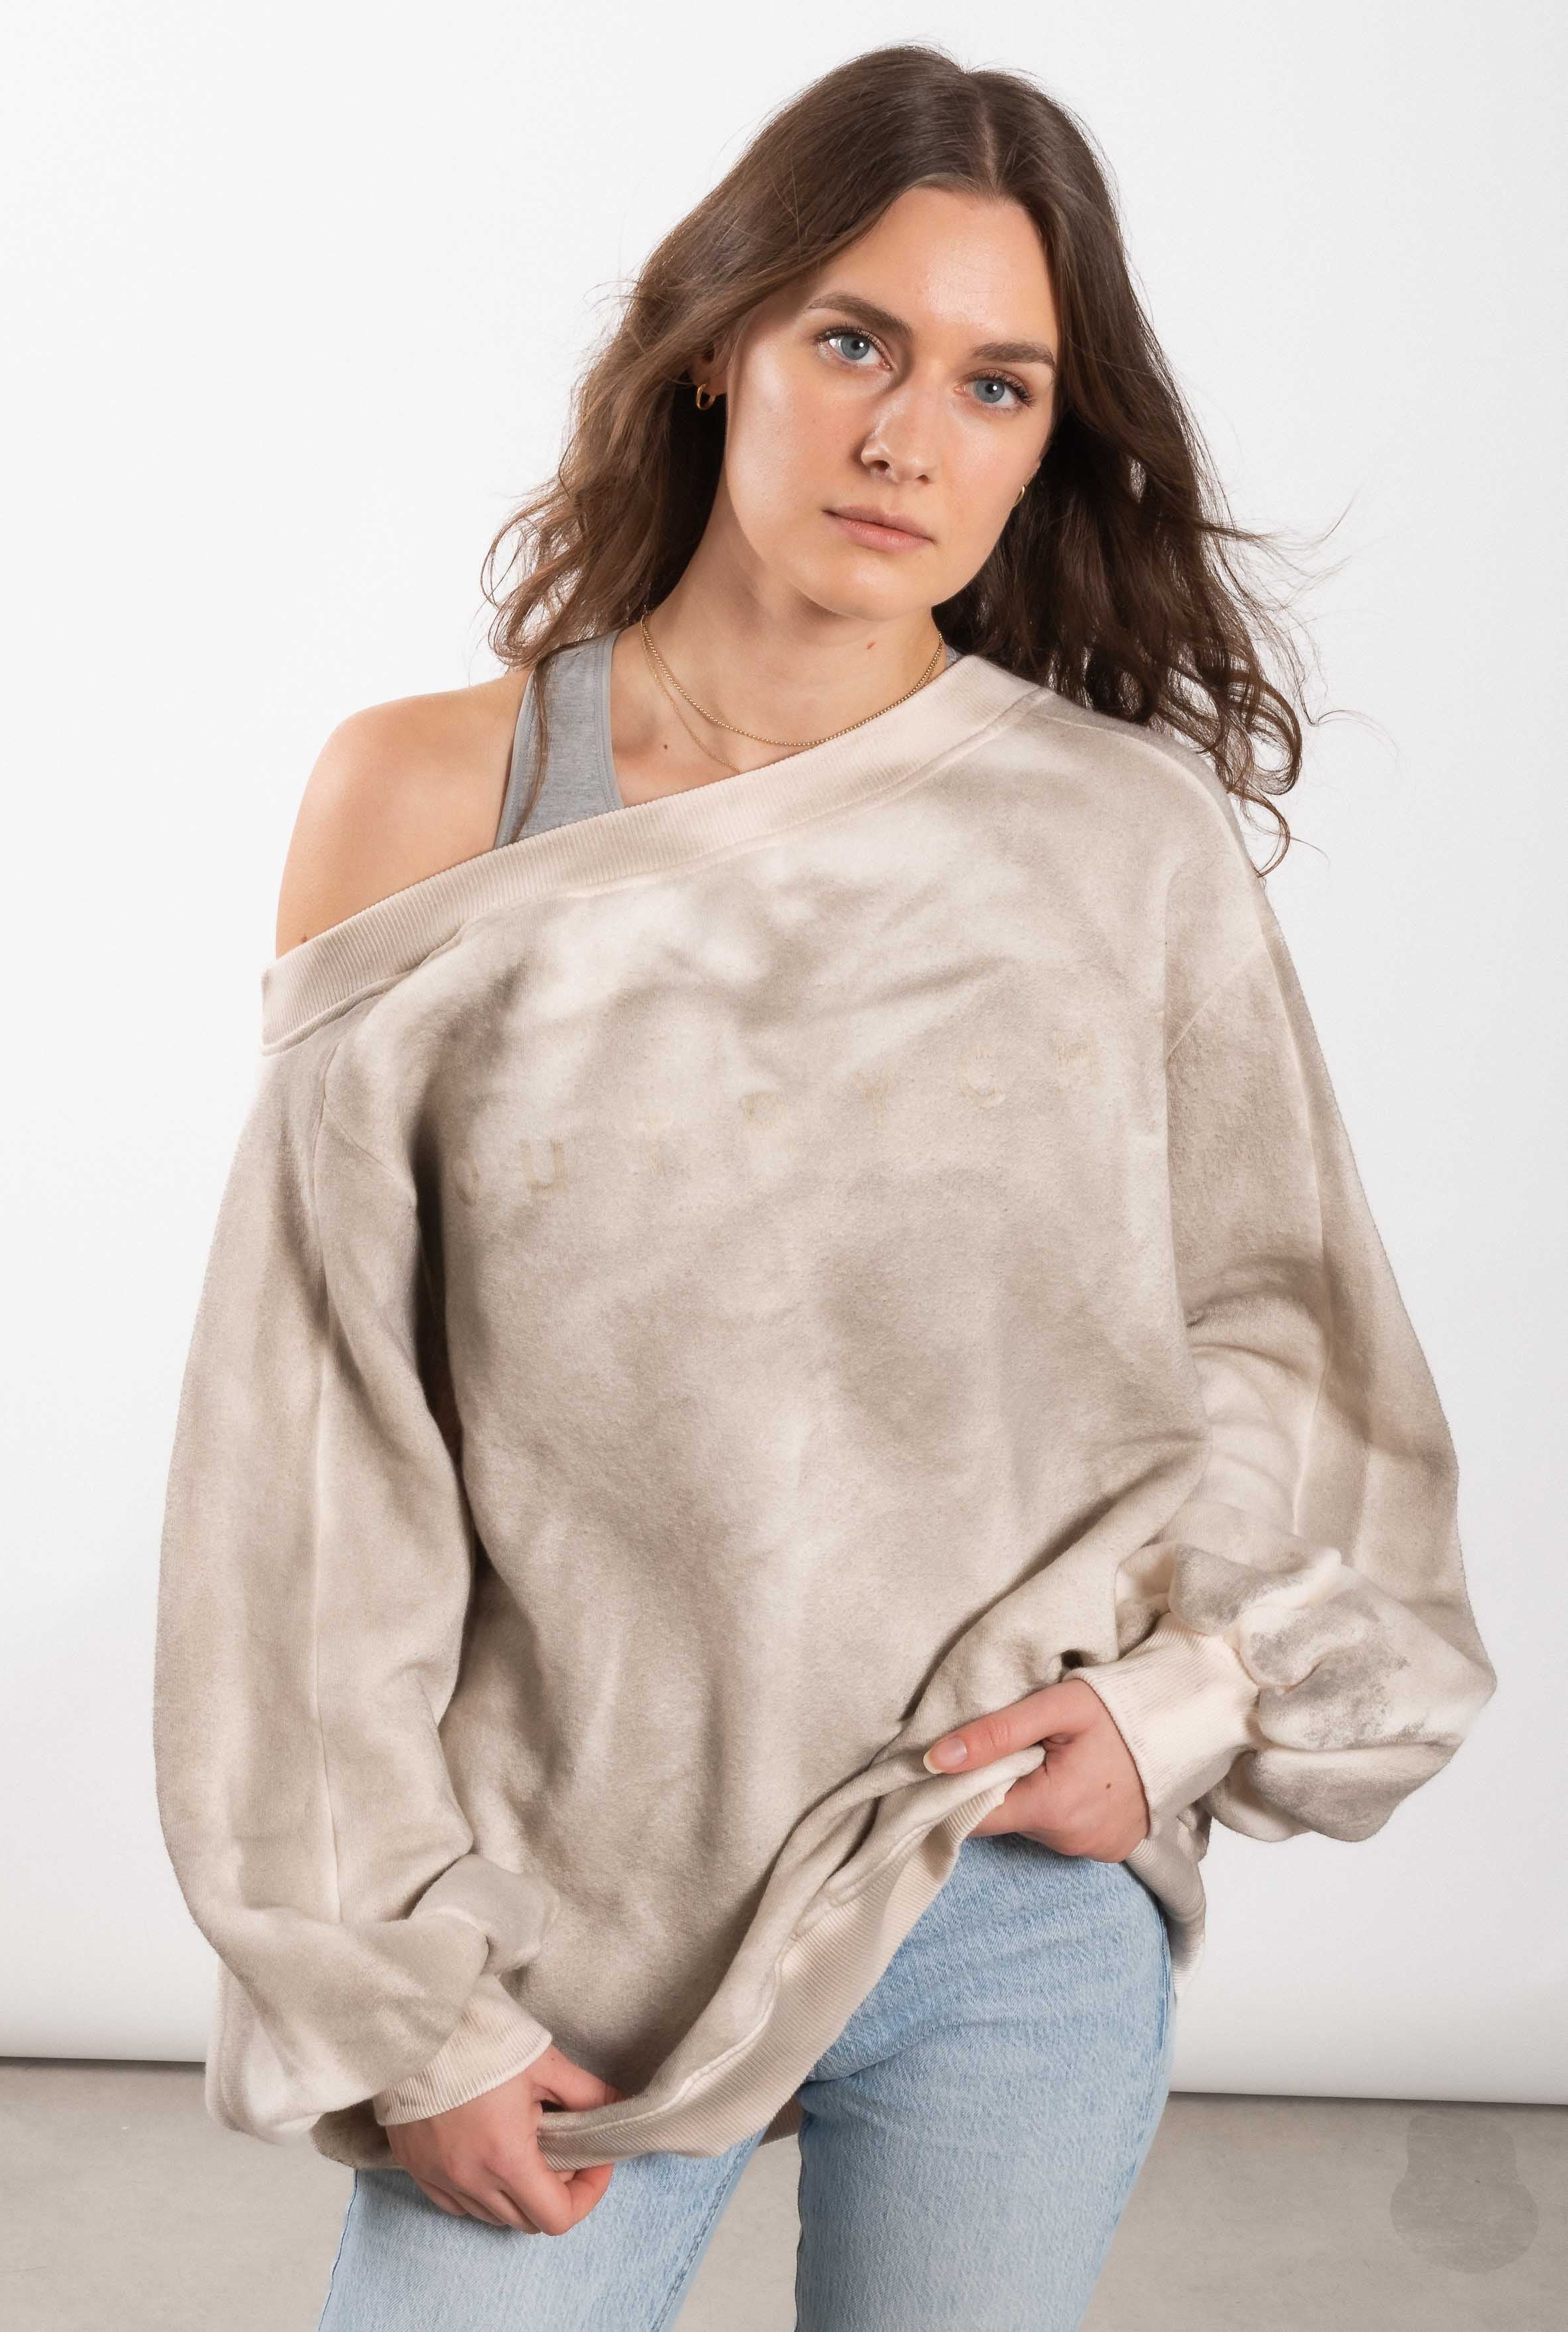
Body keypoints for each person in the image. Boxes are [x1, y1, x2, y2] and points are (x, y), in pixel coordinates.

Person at [151, 42, 1498, 2332]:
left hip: (1004, 1897)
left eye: (995, 384)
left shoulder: (1119, 841)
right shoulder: (435, 798)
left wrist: (1178, 1711)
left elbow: (1277, 1342)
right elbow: (313, 1451)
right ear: (717, 344)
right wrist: (403, 1995)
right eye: (852, 341)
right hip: (558, 1928)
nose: (905, 436)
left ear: (1045, 441)